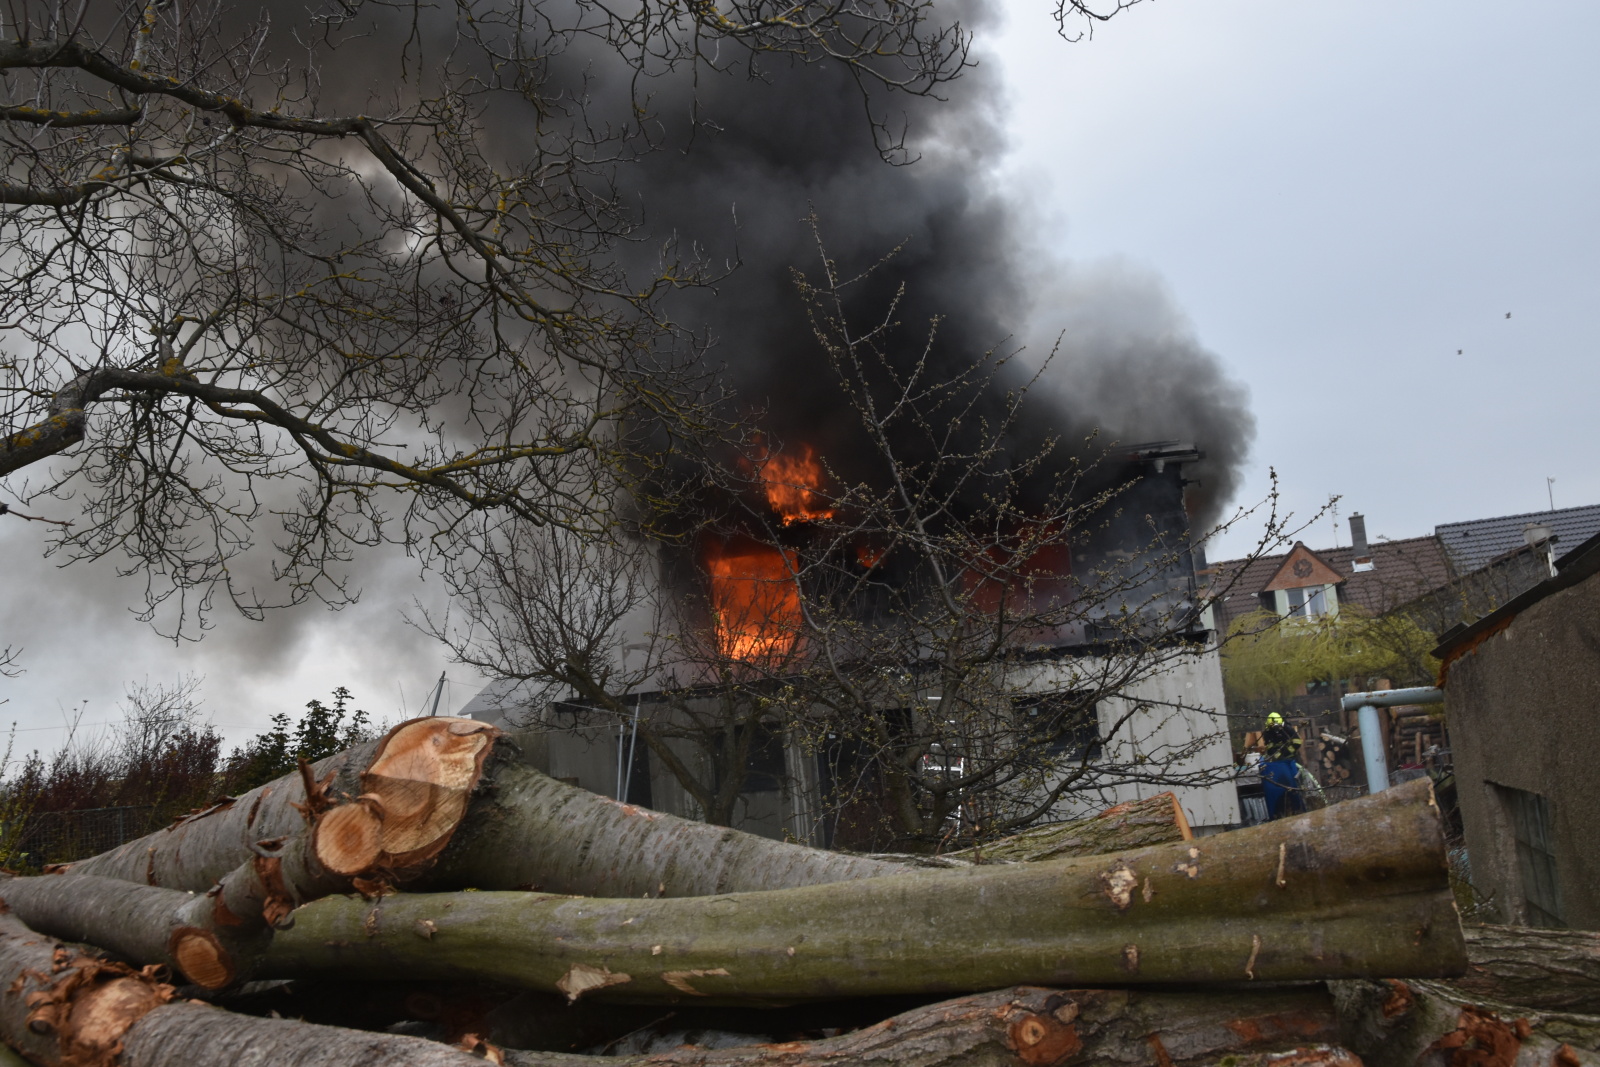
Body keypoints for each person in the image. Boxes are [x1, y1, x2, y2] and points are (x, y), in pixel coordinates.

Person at [1259, 711, 1305, 820]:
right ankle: (1278, 811)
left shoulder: (1287, 729)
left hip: (1290, 760)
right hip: (1277, 763)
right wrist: (1275, 752)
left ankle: (1297, 807)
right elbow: (1269, 747)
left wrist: (1286, 752)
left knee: (1294, 784)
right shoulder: (1268, 732)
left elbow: (1297, 742)